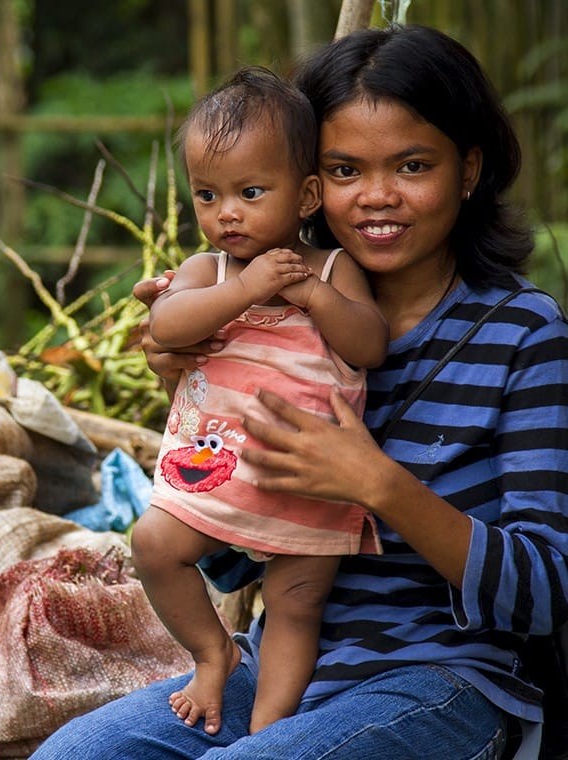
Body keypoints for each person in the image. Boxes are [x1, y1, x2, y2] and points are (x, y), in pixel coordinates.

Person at [32, 23, 568, 760]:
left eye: (413, 165)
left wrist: (381, 486)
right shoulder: (257, 320)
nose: (377, 197)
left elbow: (545, 592)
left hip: (445, 683)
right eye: (345, 170)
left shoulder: (522, 334)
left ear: (468, 170)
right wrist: (196, 397)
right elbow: (239, 558)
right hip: (290, 664)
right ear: (307, 186)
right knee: (75, 756)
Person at [130, 66, 388, 738]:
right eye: (207, 196)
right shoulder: (207, 272)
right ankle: (212, 652)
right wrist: (244, 292)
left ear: (305, 196)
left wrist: (314, 297)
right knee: (153, 542)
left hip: (310, 485)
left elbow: (369, 345)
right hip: (213, 478)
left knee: (295, 607)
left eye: (249, 192)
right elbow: (166, 327)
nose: (227, 214)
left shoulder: (331, 269)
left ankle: (269, 729)